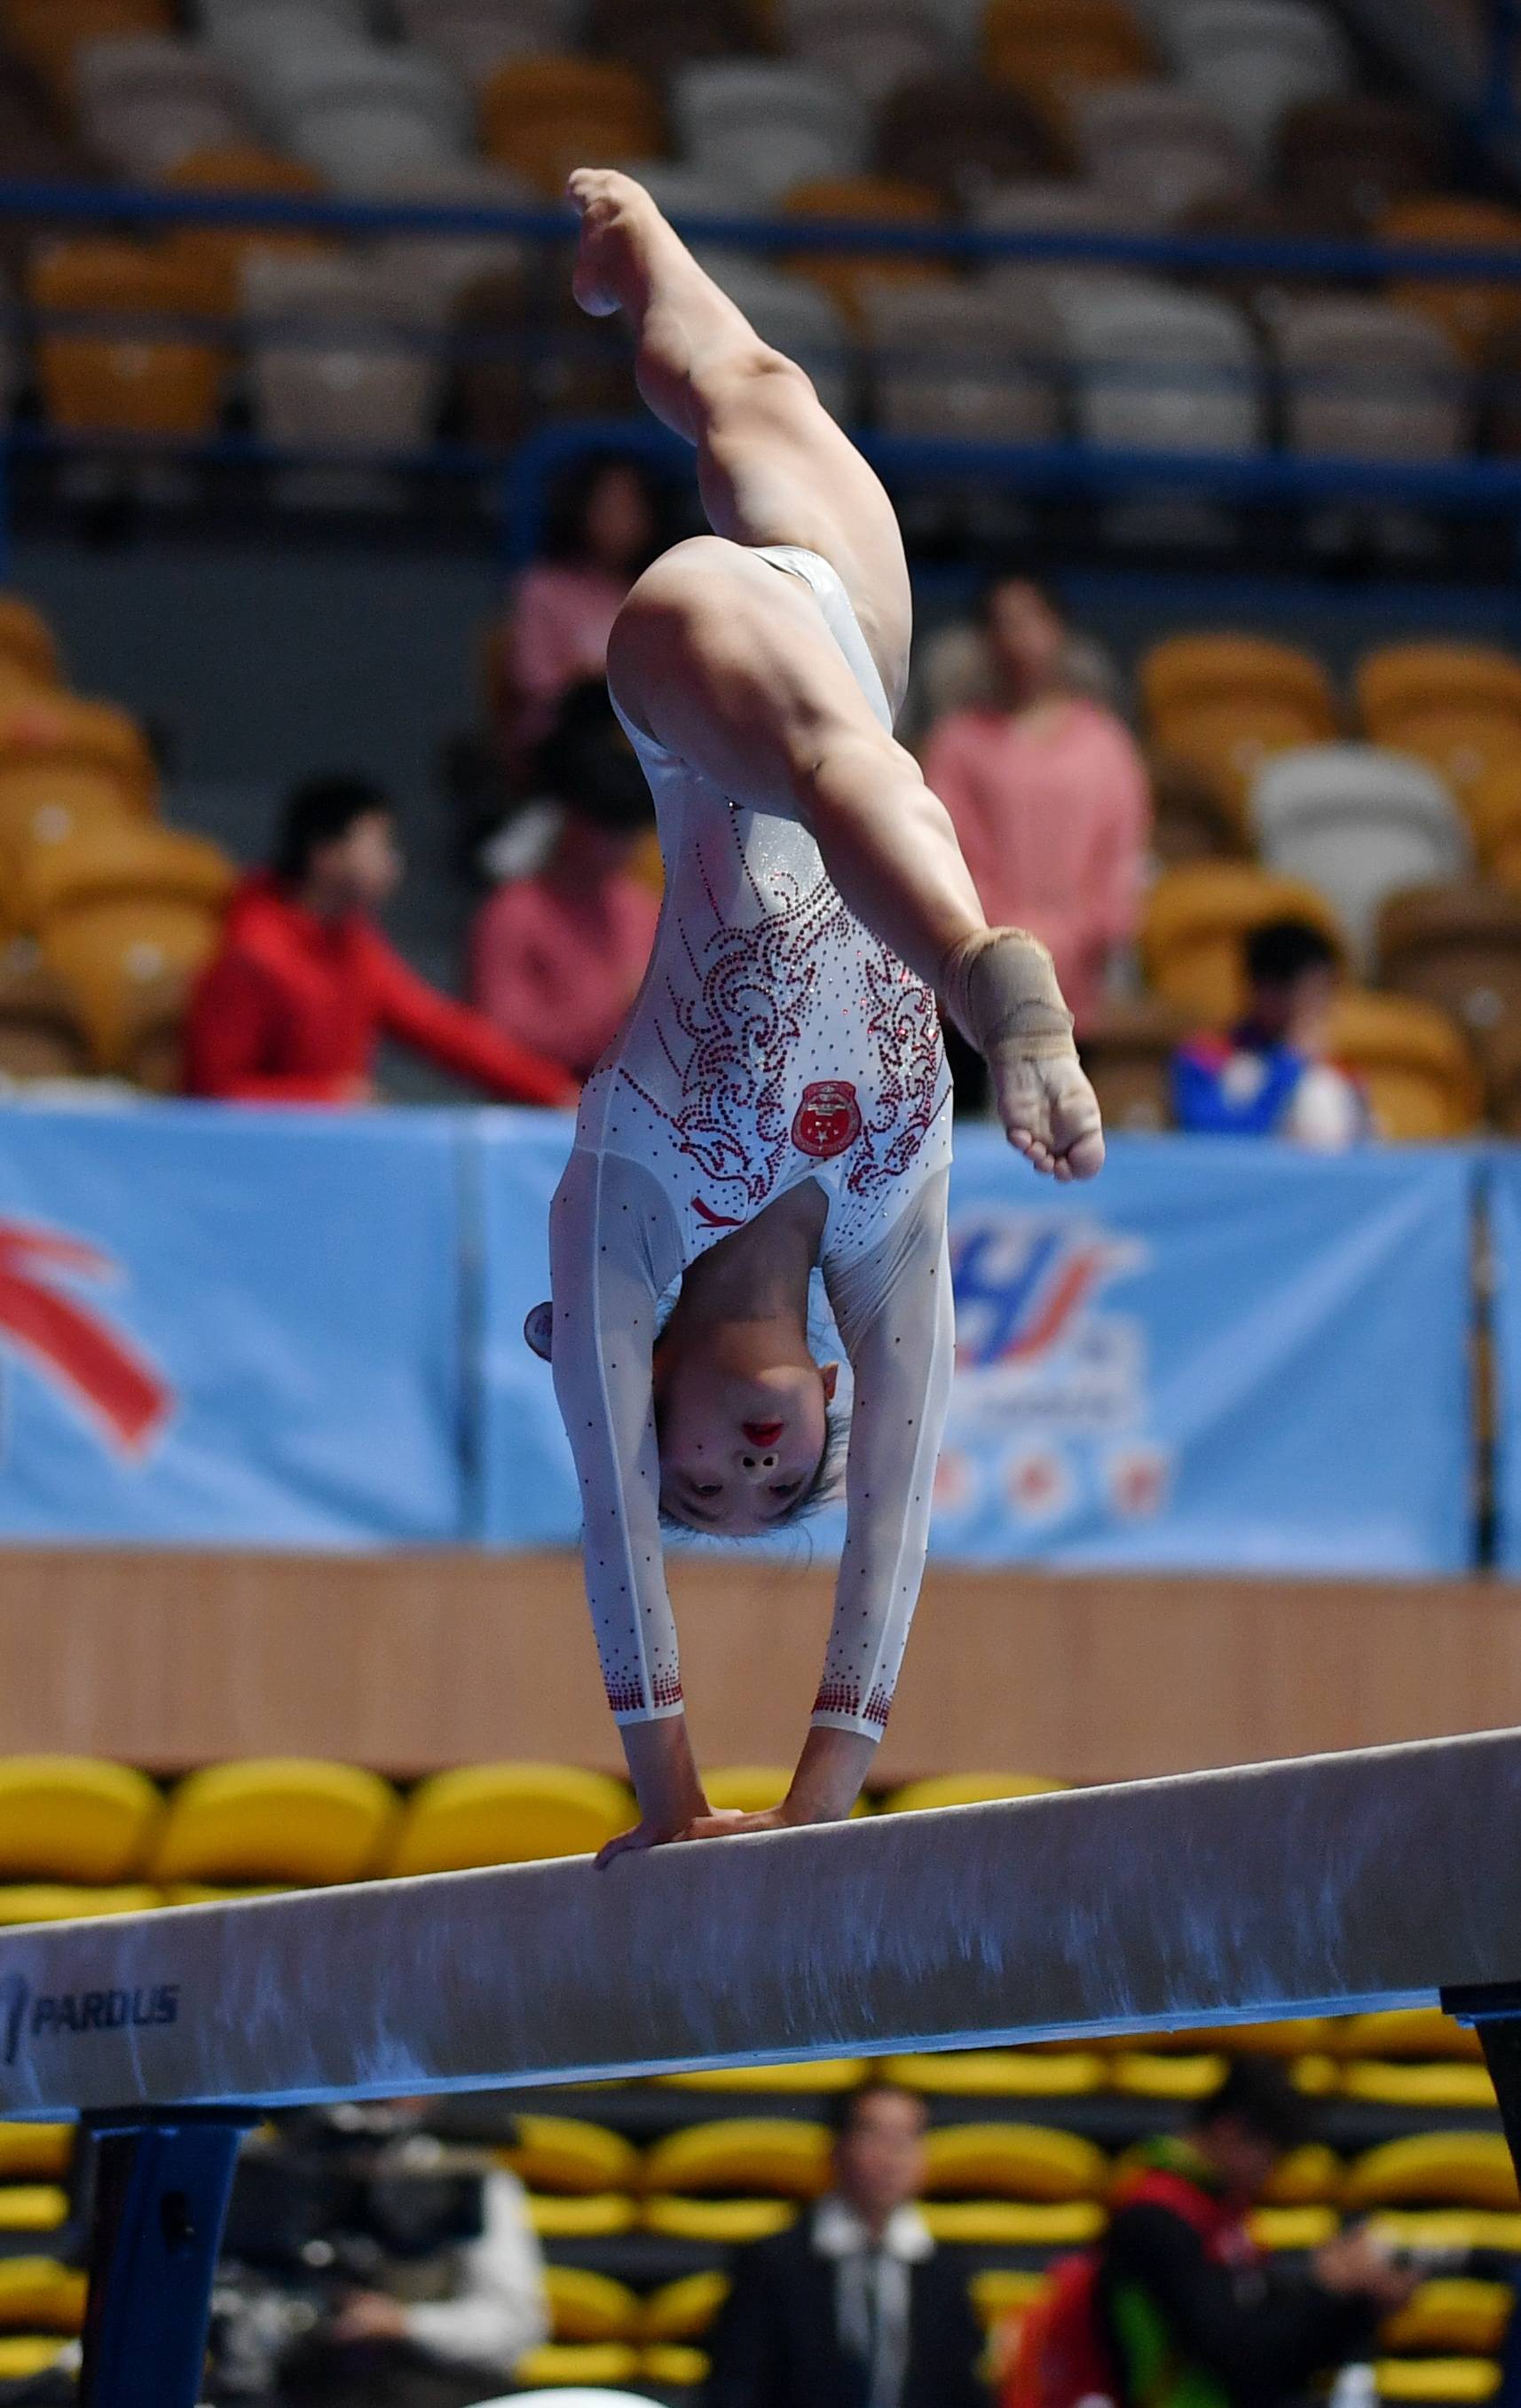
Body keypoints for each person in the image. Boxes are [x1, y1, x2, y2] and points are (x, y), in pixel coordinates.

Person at [532, 168, 1104, 1861]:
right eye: (772, 1486)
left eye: (701, 1475)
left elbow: (609, 1533)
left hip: (695, 679)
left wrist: (672, 1802)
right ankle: (648, 265)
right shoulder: (882, 1230)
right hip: (844, 637)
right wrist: (815, 1813)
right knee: (757, 393)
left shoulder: (625, 1222)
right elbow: (897, 1511)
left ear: (656, 1411)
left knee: (832, 772)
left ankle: (996, 982)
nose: (744, 1474)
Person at [1003, 2061, 1418, 2408]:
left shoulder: (1223, 2216)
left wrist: (1352, 2307)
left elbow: (1268, 2348)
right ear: (1230, 2131)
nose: (1270, 2175)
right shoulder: (1153, 2220)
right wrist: (1326, 2291)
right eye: (1270, 2156)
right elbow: (1236, 2353)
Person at [185, 775, 576, 1107]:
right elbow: (210, 1094)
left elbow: (441, 1030)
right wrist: (324, 1099)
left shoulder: (354, 944)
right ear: (326, 854)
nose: (393, 860)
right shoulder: (252, 952)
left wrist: (556, 1091)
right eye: (380, 843)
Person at [919, 579, 1151, 1077]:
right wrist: (1010, 948)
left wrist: (1067, 942)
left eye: (1030, 621)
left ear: (1058, 630)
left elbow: (1120, 862)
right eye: (1002, 625)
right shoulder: (956, 745)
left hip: (1077, 990)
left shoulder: (1105, 742)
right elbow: (946, 856)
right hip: (980, 983)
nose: (1017, 639)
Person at [211, 2099, 548, 2408]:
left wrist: (402, 2323)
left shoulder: (462, 2178)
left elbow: (515, 2326)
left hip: (412, 2388)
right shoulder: (266, 2166)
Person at [704, 2080, 987, 2408]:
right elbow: (735, 2387)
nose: (891, 2157)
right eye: (874, 2136)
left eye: (907, 2138)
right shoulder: (773, 2263)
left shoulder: (946, 2272)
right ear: (837, 2148)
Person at [470, 680, 660, 1084]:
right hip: (540, 1110)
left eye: (627, 831)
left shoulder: (640, 907)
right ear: (572, 820)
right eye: (607, 827)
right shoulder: (513, 913)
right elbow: (499, 1037)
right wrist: (616, 1013)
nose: (619, 846)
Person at [485, 453, 667, 778]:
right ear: (581, 509)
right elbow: (536, 681)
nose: (620, 519)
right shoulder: (543, 588)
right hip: (565, 746)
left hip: (649, 743)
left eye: (631, 506)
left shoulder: (664, 588)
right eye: (608, 506)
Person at [1171, 918, 1370, 1148]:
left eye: (1328, 993)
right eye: (1313, 993)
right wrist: (1289, 1064)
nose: (1322, 1008)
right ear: (1267, 990)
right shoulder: (1205, 1057)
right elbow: (1211, 1137)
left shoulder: (1341, 1071)